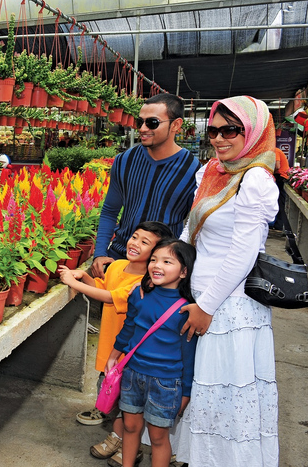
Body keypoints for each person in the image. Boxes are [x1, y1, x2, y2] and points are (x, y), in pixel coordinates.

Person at [175, 96, 279, 466]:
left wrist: (206, 306)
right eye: (213, 130)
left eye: (230, 130)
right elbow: (192, 229)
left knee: (224, 399)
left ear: (252, 132)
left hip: (228, 307)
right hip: (199, 296)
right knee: (200, 394)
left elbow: (243, 253)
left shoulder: (255, 180)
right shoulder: (214, 171)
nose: (219, 139)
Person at [60, 221, 174, 464]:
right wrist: (83, 277)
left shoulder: (146, 281)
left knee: (129, 403)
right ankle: (118, 437)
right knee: (117, 400)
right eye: (134, 237)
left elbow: (112, 297)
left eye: (145, 242)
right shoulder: (118, 266)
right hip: (110, 348)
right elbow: (102, 286)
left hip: (128, 351)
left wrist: (73, 282)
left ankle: (125, 442)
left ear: (155, 253)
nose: (135, 243)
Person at [109, 239, 198, 467]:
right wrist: (113, 356)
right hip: (132, 374)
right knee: (130, 426)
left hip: (166, 383)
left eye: (167, 261)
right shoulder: (139, 294)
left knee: (158, 437)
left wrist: (186, 391)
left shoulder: (187, 309)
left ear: (184, 271)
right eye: (154, 260)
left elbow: (189, 354)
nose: (157, 266)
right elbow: (128, 328)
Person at [92, 94, 201, 279]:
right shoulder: (125, 160)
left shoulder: (193, 170)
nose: (142, 129)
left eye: (152, 123)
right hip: (121, 260)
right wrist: (101, 252)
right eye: (139, 122)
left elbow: (194, 225)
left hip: (162, 269)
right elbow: (110, 210)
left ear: (175, 125)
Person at [271, 146, 290, 232]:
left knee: (279, 201)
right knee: (280, 201)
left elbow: (277, 166)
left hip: (281, 177)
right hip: (282, 177)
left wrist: (269, 171)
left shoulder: (275, 151)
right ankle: (278, 224)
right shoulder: (276, 150)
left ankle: (279, 225)